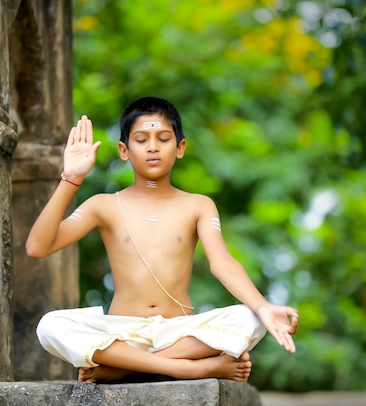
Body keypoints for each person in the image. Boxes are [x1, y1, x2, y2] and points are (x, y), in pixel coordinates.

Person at [27, 96, 298, 383]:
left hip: (178, 333)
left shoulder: (198, 205)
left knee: (251, 317)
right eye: (141, 139)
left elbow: (223, 263)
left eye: (163, 138)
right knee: (49, 326)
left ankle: (129, 368)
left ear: (180, 147)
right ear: (124, 150)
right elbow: (37, 247)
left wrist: (264, 308)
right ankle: (188, 368)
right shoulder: (103, 205)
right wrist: (71, 178)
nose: (153, 147)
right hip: (122, 334)